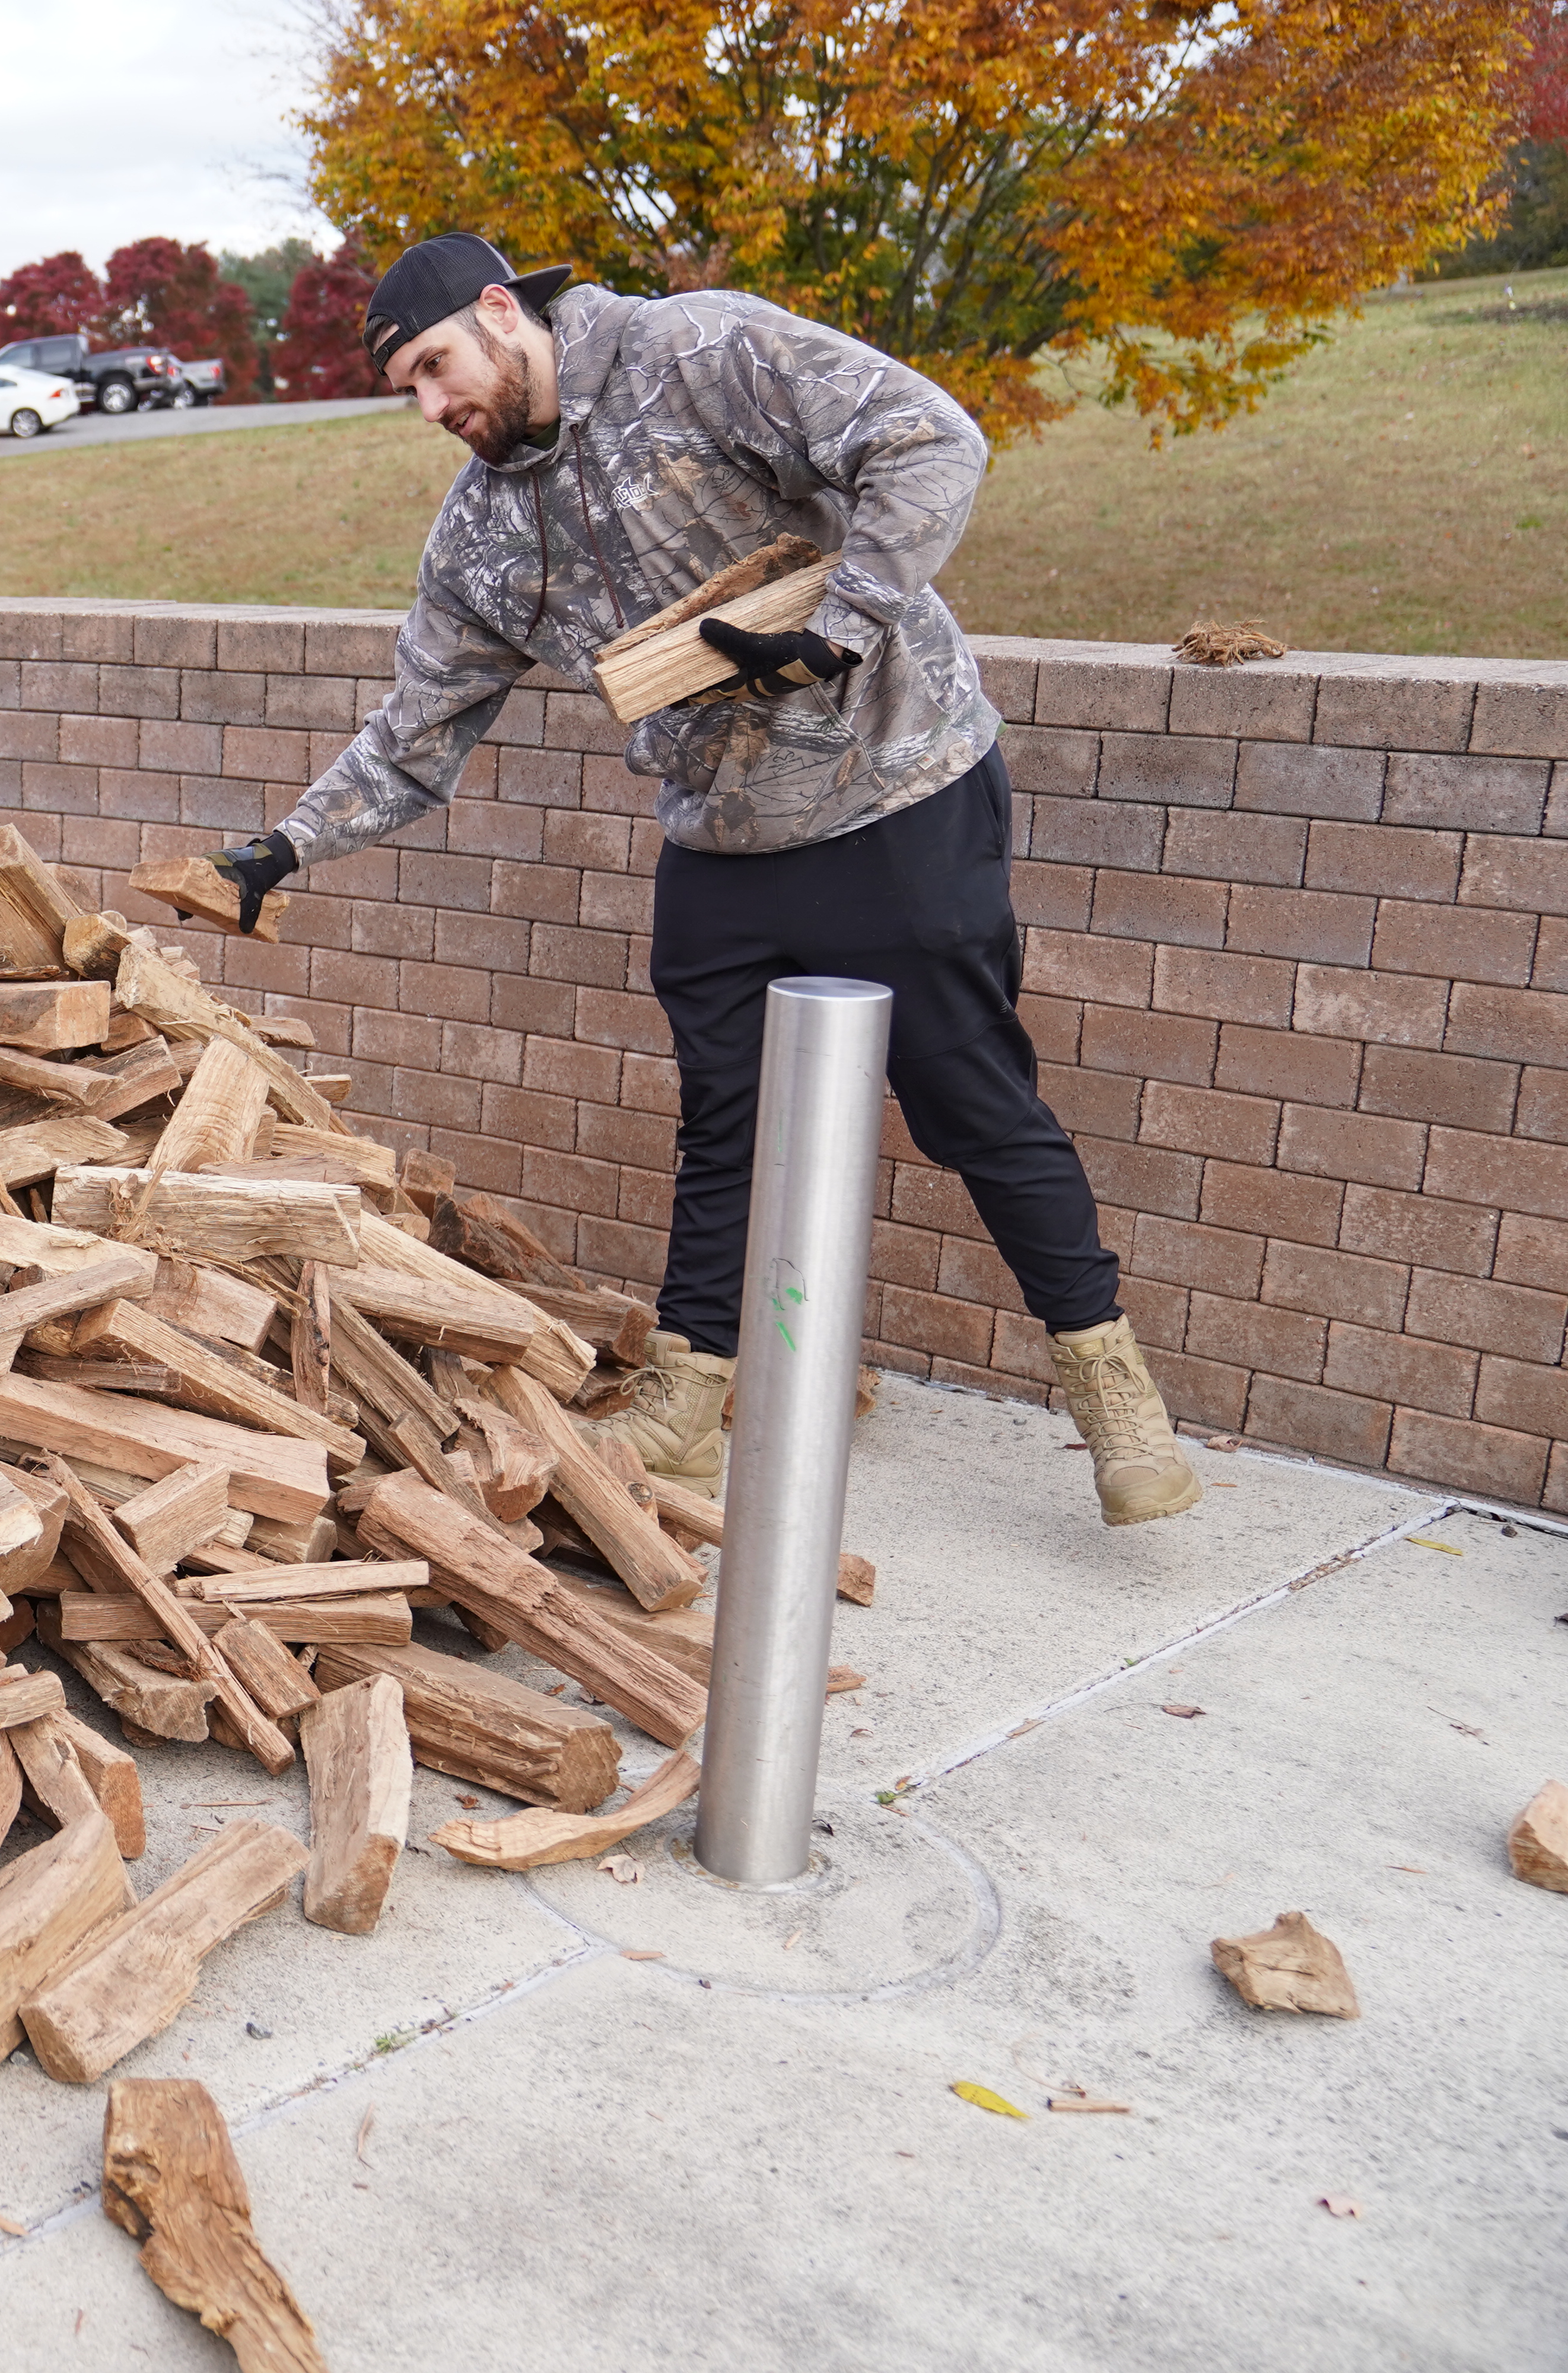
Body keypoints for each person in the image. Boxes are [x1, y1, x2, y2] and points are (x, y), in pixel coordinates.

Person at [207, 233, 1196, 1528]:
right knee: (721, 1122)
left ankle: (1111, 1389)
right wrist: (290, 842)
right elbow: (420, 721)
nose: (436, 407)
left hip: (895, 791)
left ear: (503, 313)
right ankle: (689, 1391)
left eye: (438, 367)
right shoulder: (489, 524)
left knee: (970, 1098)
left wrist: (836, 625)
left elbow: (934, 441)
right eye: (412, 393)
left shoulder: (702, 351)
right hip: (721, 838)